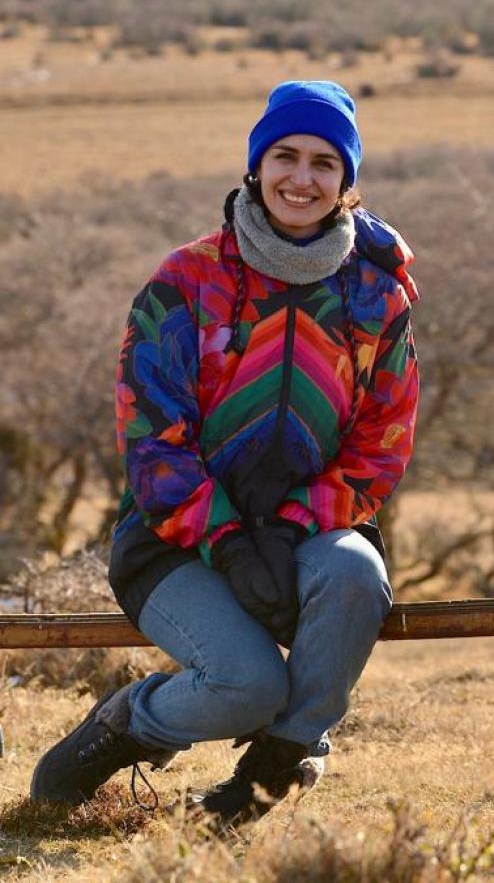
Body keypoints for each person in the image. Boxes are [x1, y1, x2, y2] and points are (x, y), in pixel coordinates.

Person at [30, 81, 420, 827]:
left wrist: (294, 524)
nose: (301, 178)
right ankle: (121, 726)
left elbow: (383, 440)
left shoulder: (378, 294)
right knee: (246, 687)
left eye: (323, 163)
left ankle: (272, 772)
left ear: (346, 179)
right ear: (256, 165)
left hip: (311, 532)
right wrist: (230, 539)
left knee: (356, 576)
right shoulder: (187, 279)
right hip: (173, 539)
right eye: (284, 157)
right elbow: (151, 439)